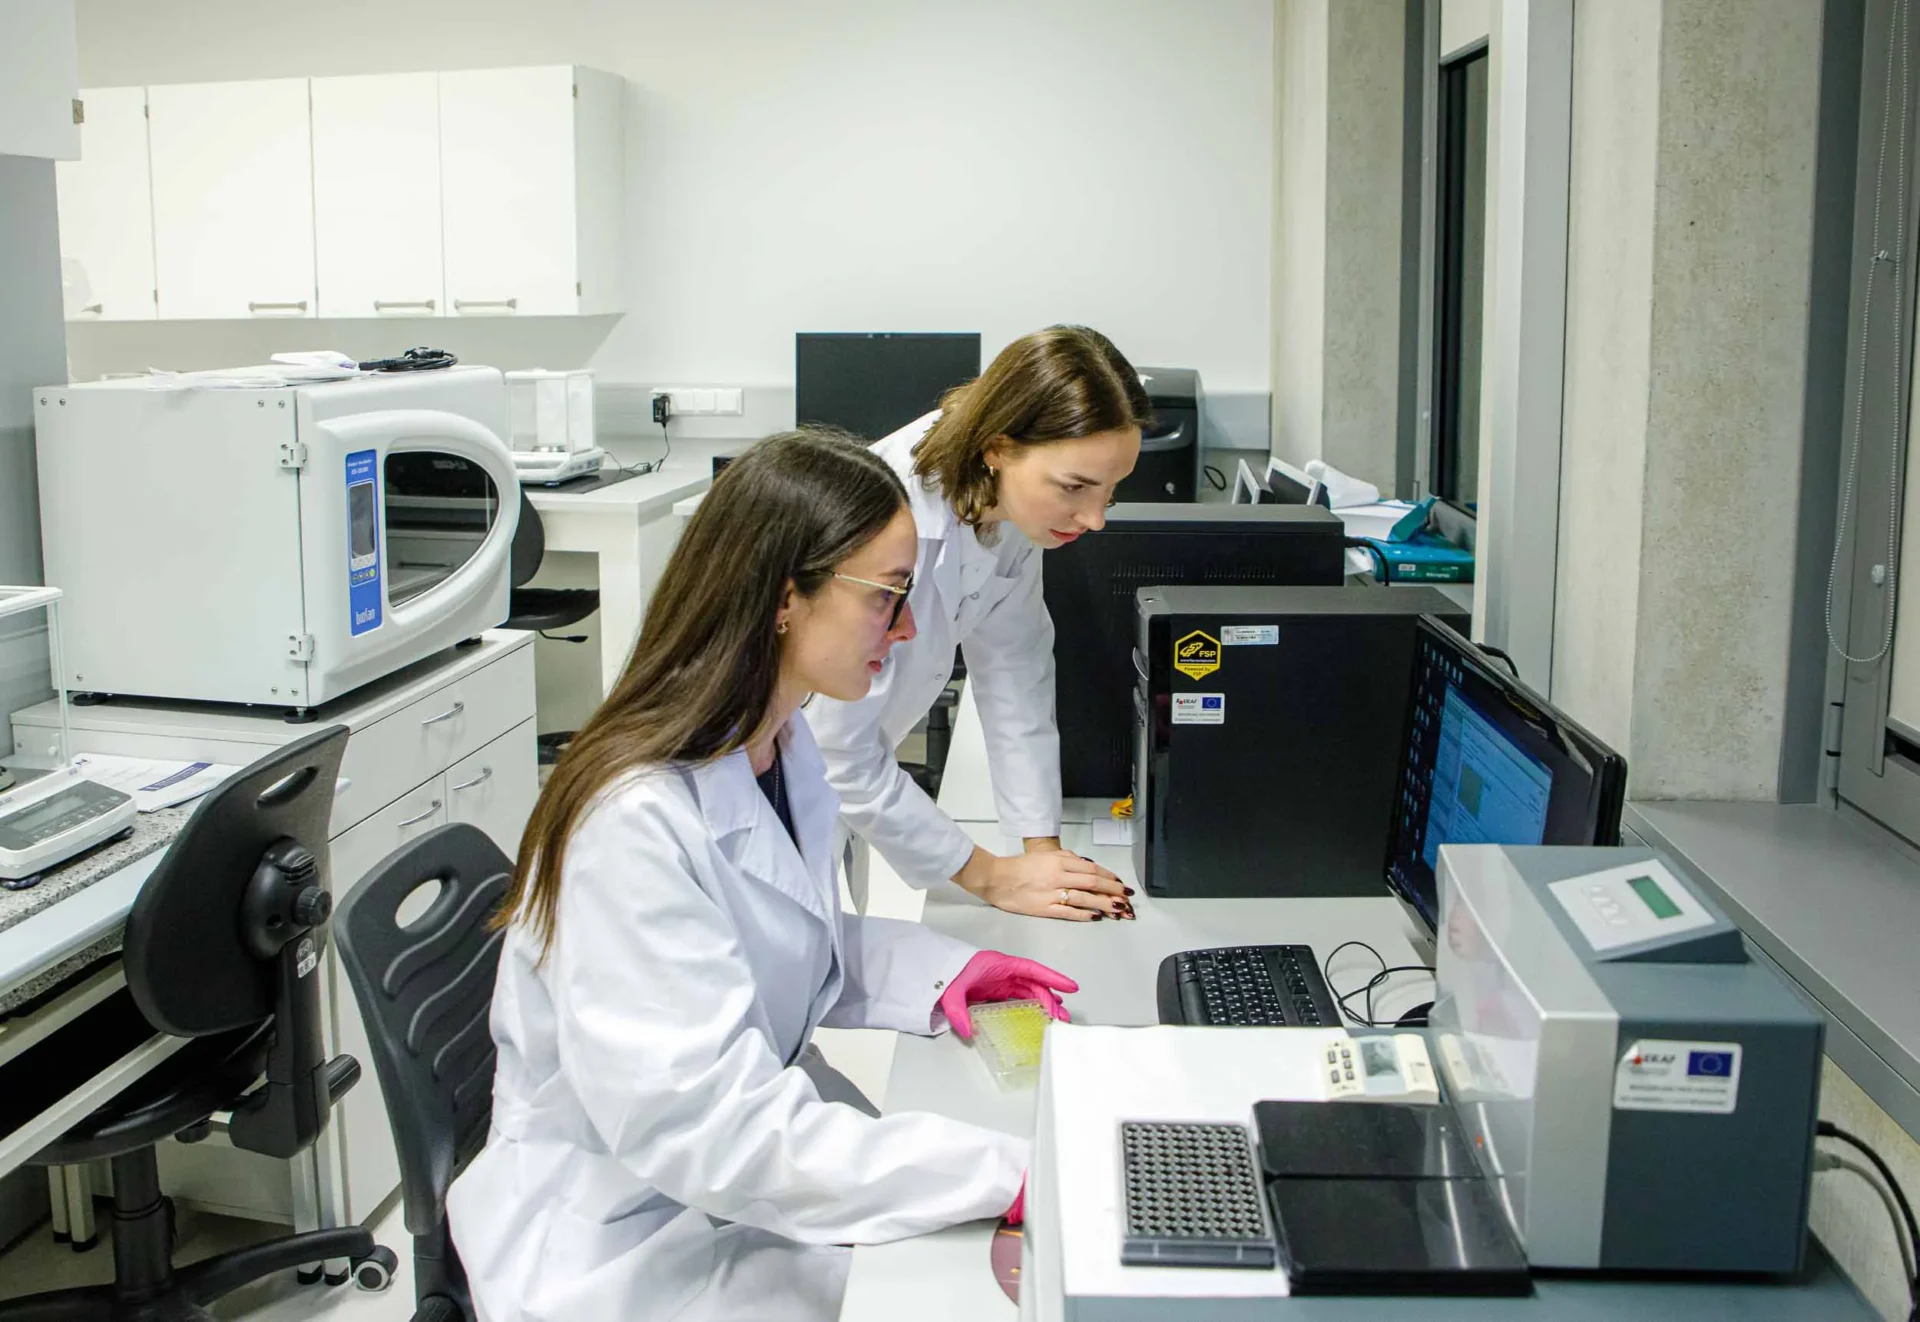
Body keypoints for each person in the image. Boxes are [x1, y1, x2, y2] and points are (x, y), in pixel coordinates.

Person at [448, 430, 1076, 1321]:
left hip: (729, 1184)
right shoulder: (633, 824)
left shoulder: (777, 743)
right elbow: (712, 1131)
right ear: (786, 598)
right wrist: (1004, 1170)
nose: (906, 630)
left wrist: (946, 975)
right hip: (625, 1239)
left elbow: (778, 936)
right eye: (888, 597)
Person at [809, 325, 1152, 921]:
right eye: (1074, 488)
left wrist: (1042, 851)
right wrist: (992, 877)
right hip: (751, 795)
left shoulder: (1005, 501)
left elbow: (1016, 667)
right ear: (998, 447)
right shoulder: (883, 519)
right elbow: (834, 748)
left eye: (1110, 492)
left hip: (822, 788)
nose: (1095, 519)